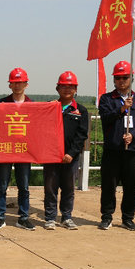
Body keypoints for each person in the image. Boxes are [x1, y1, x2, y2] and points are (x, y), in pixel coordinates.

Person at [98, 60, 135, 231]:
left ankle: (128, 218)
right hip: (112, 150)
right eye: (118, 77)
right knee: (108, 185)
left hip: (133, 150)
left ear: (131, 78)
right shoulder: (106, 99)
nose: (121, 81)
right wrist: (121, 109)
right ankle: (107, 217)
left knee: (131, 187)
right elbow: (105, 117)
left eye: (125, 77)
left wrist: (133, 134)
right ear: (114, 80)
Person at [43, 71, 88, 230]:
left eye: (71, 87)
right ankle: (50, 218)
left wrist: (71, 153)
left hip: (70, 157)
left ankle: (66, 217)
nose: (67, 90)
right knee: (50, 188)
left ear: (75, 89)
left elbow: (81, 135)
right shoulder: (49, 107)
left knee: (68, 189)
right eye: (63, 86)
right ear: (57, 88)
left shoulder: (81, 110)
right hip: (51, 156)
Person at [0, 67, 34, 230]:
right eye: (14, 83)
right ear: (10, 85)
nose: (17, 86)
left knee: (24, 186)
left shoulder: (32, 105)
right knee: (2, 185)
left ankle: (23, 217)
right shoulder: (2, 104)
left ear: (26, 84)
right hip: (5, 149)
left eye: (20, 82)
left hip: (24, 150)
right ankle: (0, 216)